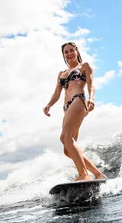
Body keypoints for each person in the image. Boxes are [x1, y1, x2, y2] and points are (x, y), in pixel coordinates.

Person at [43, 42, 107, 181]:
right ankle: (98, 174)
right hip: (67, 108)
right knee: (67, 148)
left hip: (79, 100)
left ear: (77, 51)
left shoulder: (84, 66)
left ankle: (83, 175)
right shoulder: (61, 73)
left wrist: (92, 98)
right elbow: (57, 94)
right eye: (66, 52)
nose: (69, 53)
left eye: (72, 50)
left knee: (66, 138)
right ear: (63, 55)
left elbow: (91, 83)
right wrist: (49, 105)